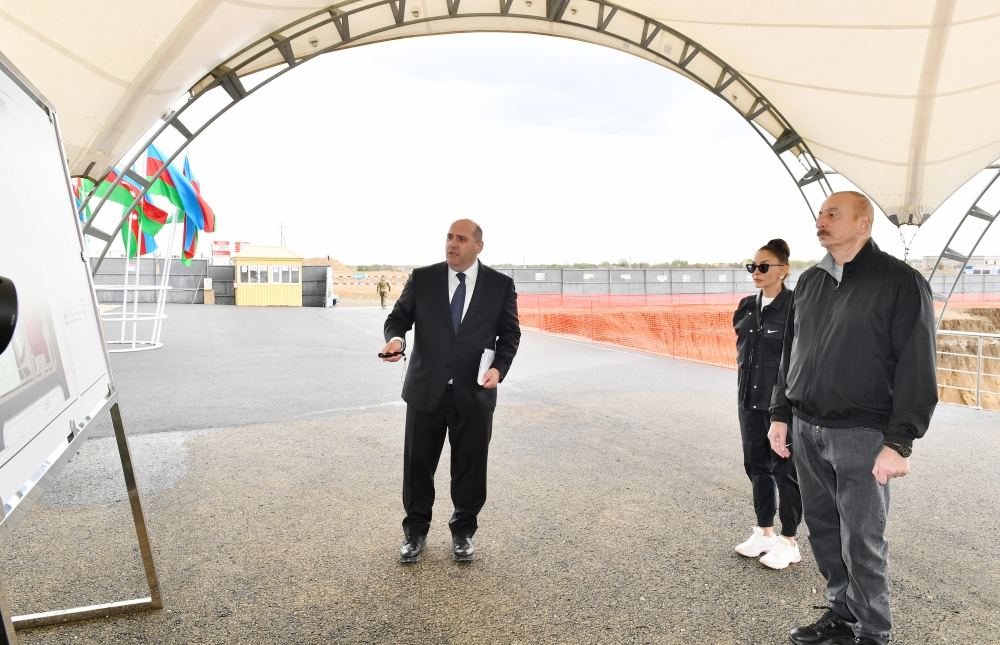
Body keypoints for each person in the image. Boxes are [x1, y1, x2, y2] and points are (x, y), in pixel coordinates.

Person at [767, 191, 937, 645]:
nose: (821, 221)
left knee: (862, 540)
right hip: (806, 428)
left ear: (863, 223)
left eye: (833, 214)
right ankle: (841, 616)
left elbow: (917, 364)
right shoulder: (810, 282)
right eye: (820, 214)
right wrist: (781, 413)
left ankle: (872, 633)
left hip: (862, 434)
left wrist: (899, 442)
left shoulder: (900, 282)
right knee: (823, 529)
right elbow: (792, 352)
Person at [380, 219, 520, 564]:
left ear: (478, 246)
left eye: (460, 238)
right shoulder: (424, 278)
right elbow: (398, 318)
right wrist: (395, 339)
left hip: (474, 393)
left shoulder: (500, 286)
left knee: (470, 466)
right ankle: (415, 531)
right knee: (417, 465)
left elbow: (510, 335)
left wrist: (498, 368)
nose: (452, 244)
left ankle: (463, 532)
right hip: (427, 390)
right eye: (448, 237)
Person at [732, 239, 802, 570]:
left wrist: (785, 409)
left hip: (780, 407)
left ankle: (789, 541)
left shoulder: (795, 308)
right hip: (748, 401)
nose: (756, 272)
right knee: (756, 467)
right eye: (752, 267)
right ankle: (765, 531)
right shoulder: (746, 307)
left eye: (764, 266)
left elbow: (797, 362)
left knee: (784, 470)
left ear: (783, 270)